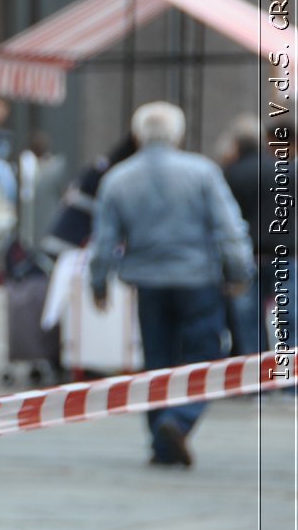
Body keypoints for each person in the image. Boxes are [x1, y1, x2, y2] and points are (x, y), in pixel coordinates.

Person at [88, 101, 254, 468]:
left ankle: (162, 440)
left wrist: (98, 284)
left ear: (137, 135)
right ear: (178, 134)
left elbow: (103, 242)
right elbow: (230, 229)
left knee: (158, 360)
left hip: (147, 281)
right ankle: (178, 419)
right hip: (198, 278)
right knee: (205, 357)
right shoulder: (202, 172)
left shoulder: (118, 178)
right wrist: (239, 272)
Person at [222, 113, 290, 357]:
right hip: (286, 254)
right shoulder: (285, 170)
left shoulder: (230, 173)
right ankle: (289, 380)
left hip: (247, 255)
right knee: (288, 322)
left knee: (248, 323)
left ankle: (254, 380)